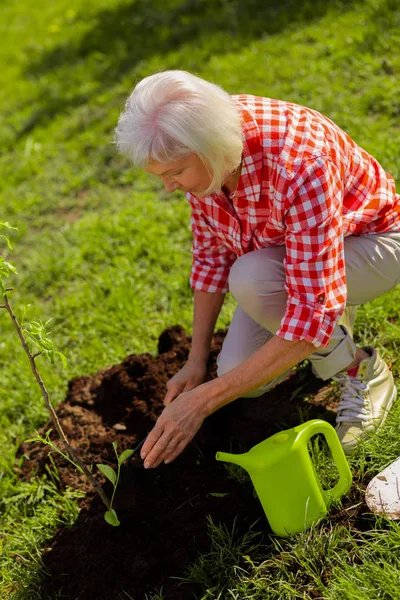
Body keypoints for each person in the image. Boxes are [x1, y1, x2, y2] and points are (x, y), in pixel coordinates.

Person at [114, 70, 400, 469]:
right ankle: (334, 324)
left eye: (174, 173)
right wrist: (197, 362)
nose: (169, 187)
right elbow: (212, 258)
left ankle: (361, 369)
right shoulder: (207, 164)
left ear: (209, 150)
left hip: (376, 241)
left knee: (253, 279)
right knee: (235, 373)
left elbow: (308, 319)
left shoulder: (301, 162)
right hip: (292, 254)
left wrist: (202, 402)